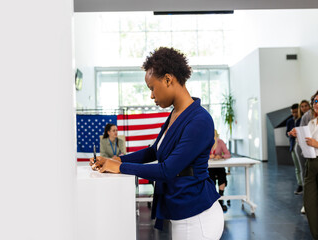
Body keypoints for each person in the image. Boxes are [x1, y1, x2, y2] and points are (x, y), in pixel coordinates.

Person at [91, 47, 224, 240]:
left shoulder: (200, 120)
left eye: (152, 88)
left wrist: (120, 167)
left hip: (197, 217)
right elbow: (154, 151)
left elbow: (167, 170)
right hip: (183, 213)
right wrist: (116, 159)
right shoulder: (176, 114)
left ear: (168, 79)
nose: (152, 95)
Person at [290, 89, 318, 240]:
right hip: (310, 165)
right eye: (315, 101)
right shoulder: (310, 123)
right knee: (310, 205)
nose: (317, 104)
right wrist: (297, 135)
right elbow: (306, 144)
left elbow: (316, 144)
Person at [294, 100, 311, 214]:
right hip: (305, 148)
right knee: (306, 174)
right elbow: (300, 135)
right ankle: (307, 204)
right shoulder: (307, 116)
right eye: (315, 101)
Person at [209, 130, 231, 212]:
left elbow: (228, 154)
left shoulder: (220, 142)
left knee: (222, 173)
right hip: (210, 166)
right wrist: (209, 156)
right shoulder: (206, 142)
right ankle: (214, 197)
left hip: (219, 165)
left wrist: (220, 156)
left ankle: (221, 197)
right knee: (210, 175)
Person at [286, 103, 302, 194]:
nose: (294, 114)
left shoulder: (302, 119)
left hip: (302, 146)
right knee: (297, 167)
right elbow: (286, 133)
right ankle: (300, 185)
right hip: (293, 145)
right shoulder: (289, 121)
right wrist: (290, 134)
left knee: (303, 167)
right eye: (292, 112)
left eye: (296, 112)